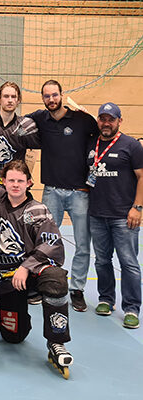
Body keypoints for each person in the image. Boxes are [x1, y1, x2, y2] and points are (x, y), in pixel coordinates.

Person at [0, 80, 99, 312]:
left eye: (54, 95)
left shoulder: (81, 119)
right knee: (41, 242)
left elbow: (100, 137)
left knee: (82, 245)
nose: (51, 99)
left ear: (61, 95)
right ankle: (37, 284)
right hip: (52, 192)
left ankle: (77, 290)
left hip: (79, 192)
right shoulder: (39, 118)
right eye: (46, 96)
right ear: (42, 98)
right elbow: (13, 116)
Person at [0, 160, 73, 377]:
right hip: (5, 280)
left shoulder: (38, 210)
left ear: (29, 183)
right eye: (11, 180)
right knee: (13, 336)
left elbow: (51, 243)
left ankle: (57, 341)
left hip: (29, 275)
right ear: (3, 182)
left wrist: (26, 266)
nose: (15, 185)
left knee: (56, 278)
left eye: (20, 181)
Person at [87, 103, 143, 329]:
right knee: (102, 260)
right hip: (97, 214)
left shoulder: (131, 145)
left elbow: (142, 177)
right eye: (102, 118)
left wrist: (137, 207)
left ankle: (131, 308)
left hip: (124, 215)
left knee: (128, 263)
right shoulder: (92, 144)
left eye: (111, 119)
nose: (106, 123)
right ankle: (106, 299)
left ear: (119, 121)